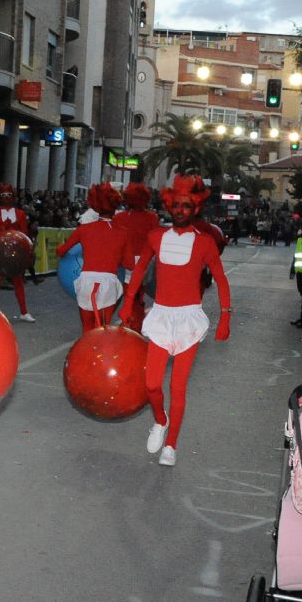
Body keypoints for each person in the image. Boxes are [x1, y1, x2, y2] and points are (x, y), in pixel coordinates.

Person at [121, 175, 231, 467]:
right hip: (160, 316)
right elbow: (141, 266)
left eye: (187, 206)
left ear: (195, 208)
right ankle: (160, 419)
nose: (181, 210)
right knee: (152, 384)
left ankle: (171, 445)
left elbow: (220, 279)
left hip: (189, 319)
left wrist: (225, 317)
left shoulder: (205, 242)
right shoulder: (156, 237)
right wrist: (127, 302)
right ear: (169, 207)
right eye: (176, 206)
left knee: (178, 388)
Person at [57, 183, 133, 332]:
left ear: (95, 204)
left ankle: (84, 354)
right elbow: (129, 264)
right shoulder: (123, 233)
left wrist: (62, 247)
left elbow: (61, 251)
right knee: (103, 329)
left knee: (87, 328)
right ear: (115, 206)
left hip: (86, 281)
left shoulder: (84, 230)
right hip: (109, 283)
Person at [112, 182, 160, 332]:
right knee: (139, 294)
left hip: (125, 260)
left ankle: (128, 322)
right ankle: (136, 324)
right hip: (145, 261)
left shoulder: (119, 218)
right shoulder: (152, 218)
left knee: (127, 294)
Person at [0, 184, 34, 322]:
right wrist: (2, 227)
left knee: (18, 282)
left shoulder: (20, 213)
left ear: (13, 197)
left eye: (8, 195)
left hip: (15, 252)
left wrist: (13, 229)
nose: (6, 198)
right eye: (3, 195)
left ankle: (24, 312)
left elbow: (25, 233)